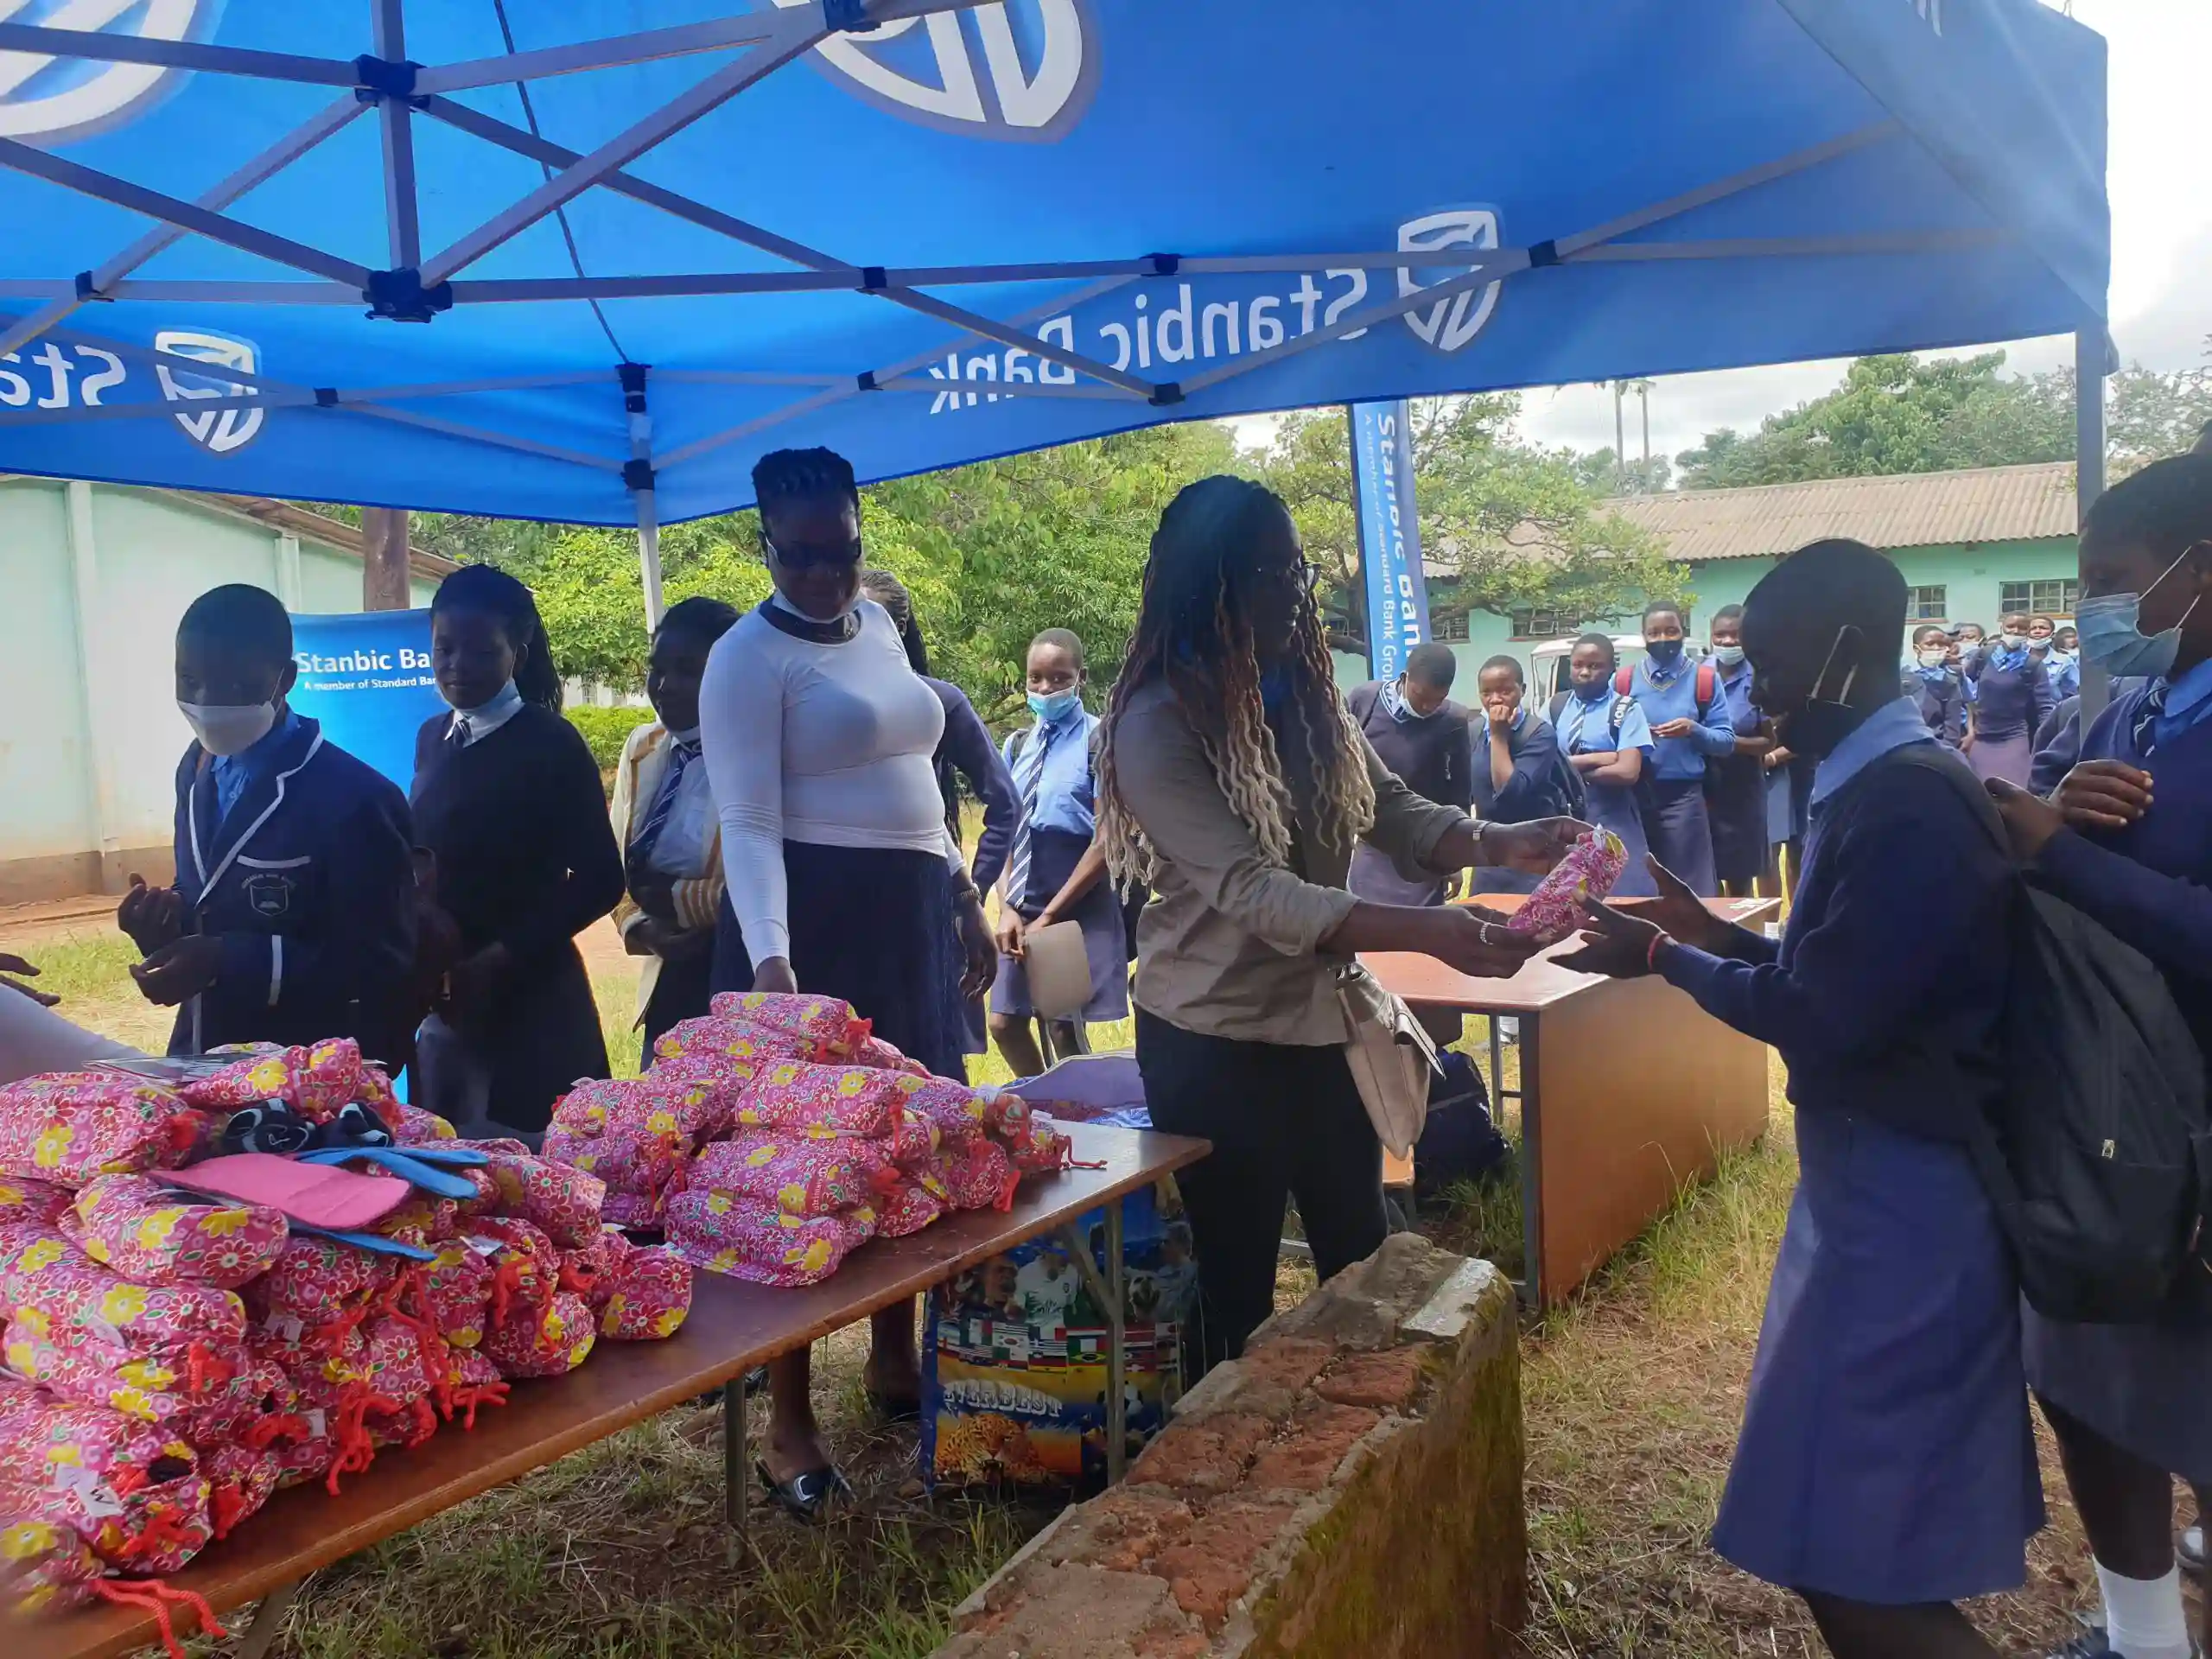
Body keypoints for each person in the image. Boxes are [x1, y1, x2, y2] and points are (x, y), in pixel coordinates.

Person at [1559, 539, 2038, 1659]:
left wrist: (1662, 964)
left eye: (1767, 663)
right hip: (1869, 1194)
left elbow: (1824, 1012)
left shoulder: (1909, 801)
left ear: (1846, 650)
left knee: (1855, 1562)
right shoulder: (1873, 784)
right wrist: (1713, 935)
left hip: (1909, 1213)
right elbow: (1850, 968)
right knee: (1838, 1544)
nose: (1752, 688)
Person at [1094, 474, 1586, 1370]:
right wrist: (1433, 931)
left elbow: (1395, 814)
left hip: (1321, 1025)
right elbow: (1252, 893)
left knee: (1361, 1252)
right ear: (1202, 583)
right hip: (1215, 1037)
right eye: (1264, 573)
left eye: (1297, 571)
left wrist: (1505, 841)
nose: (1291, 592)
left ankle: (1364, 1460)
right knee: (1237, 1279)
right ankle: (1227, 1485)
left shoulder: (1306, 695)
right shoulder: (1155, 721)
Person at [699, 446, 995, 1516]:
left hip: (908, 916)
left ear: (861, 528)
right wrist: (776, 966)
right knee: (801, 1171)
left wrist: (960, 896)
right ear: (764, 544)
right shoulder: (742, 659)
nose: (824, 571)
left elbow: (916, 777)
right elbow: (750, 821)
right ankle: (787, 1424)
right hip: (806, 927)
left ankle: (892, 1358)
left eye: (841, 547)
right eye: (801, 554)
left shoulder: (874, 624)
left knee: (907, 1142)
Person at [1980, 453, 2212, 1659]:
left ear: (2202, 570)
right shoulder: (2126, 710)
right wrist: (2065, 808)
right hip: (2105, 1107)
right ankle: (2141, 1637)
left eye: (2118, 584)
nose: (2098, 616)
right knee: (2086, 1374)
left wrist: (2067, 858)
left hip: (2201, 1121)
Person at [118, 584, 416, 1065]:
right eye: (189, 679)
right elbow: (210, 894)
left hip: (304, 1077)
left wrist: (226, 960)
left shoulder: (356, 798)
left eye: (237, 686)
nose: (207, 701)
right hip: (204, 1053)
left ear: (286, 679)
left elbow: (380, 963)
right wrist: (165, 922)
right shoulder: (194, 770)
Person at [409, 564, 624, 1144]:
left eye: (481, 651)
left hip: (532, 1004)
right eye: (444, 648)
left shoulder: (550, 743)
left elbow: (602, 878)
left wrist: (502, 956)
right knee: (449, 1178)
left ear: (518, 655)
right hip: (449, 1004)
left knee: (536, 1177)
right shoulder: (433, 737)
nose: (457, 665)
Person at [860, 569, 1014, 1065]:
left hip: (928, 903)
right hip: (855, 911)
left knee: (931, 1065)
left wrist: (970, 892)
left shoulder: (938, 701)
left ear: (898, 630)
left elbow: (1003, 802)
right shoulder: (824, 704)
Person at [989, 628, 1127, 1080]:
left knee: (1065, 1027)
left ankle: (1082, 1125)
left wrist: (1050, 915)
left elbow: (1106, 840)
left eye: (1058, 678)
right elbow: (1005, 829)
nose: (1046, 689)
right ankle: (1040, 1108)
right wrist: (1007, 904)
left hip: (1074, 898)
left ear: (1080, 678)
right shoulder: (1016, 746)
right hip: (1022, 899)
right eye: (1036, 679)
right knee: (1005, 1022)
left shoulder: (1099, 741)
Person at [608, 598, 741, 1052]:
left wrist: (680, 900)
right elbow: (615, 864)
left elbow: (787, 877)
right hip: (669, 978)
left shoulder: (767, 753)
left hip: (746, 979)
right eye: (656, 668)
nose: (664, 686)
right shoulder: (644, 748)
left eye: (688, 670)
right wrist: (642, 925)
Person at [1618, 600, 1735, 895]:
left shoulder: (1704, 680)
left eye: (1671, 631)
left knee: (1690, 890)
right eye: (1653, 632)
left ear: (1683, 631)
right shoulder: (1623, 681)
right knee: (1637, 887)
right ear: (1643, 635)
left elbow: (1726, 741)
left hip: (1683, 800)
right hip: (1633, 798)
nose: (1662, 639)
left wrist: (1693, 730)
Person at [1343, 643, 1474, 902]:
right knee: (1370, 927)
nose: (1427, 707)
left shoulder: (1453, 720)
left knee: (1423, 932)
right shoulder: (1364, 700)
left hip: (1424, 846)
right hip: (1372, 840)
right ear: (1405, 678)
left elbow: (1460, 792)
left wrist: (1456, 859)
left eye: (1437, 700)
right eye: (1420, 696)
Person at [1551, 633, 1659, 899]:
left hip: (1613, 819)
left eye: (1595, 666)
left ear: (1612, 668)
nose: (1585, 672)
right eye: (1578, 665)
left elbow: (1627, 771)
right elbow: (1546, 763)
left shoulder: (1625, 710)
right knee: (1570, 902)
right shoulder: (1556, 706)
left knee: (1624, 898)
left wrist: (1569, 770)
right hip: (1569, 819)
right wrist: (1599, 758)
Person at [1703, 605, 1777, 898]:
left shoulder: (1760, 679)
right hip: (1702, 790)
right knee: (1705, 877)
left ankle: (1742, 941)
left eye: (1734, 635)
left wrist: (1724, 742)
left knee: (1740, 879)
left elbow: (1768, 742)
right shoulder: (1697, 676)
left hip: (1742, 791)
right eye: (1720, 635)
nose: (1727, 642)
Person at [1963, 611, 2056, 786]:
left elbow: (2044, 706)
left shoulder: (2033, 665)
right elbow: (1962, 690)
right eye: (2010, 627)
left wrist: (2046, 738)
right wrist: (1969, 729)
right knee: (1978, 789)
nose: (2015, 631)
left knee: (2013, 789)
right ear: (2002, 628)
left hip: (2014, 736)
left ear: (2027, 632)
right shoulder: (1984, 655)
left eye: (2022, 628)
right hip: (1980, 736)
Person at [1905, 623, 1968, 750]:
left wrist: (1945, 748)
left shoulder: (1950, 679)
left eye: (1941, 644)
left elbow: (1952, 721)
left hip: (1938, 744)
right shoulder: (1904, 676)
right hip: (1906, 743)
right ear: (1917, 649)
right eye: (1930, 644)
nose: (1936, 648)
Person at [2030, 612, 2082, 701]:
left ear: (2052, 634)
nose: (2037, 631)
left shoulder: (2064, 661)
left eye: (2043, 628)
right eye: (2033, 628)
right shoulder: (2018, 658)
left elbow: (2077, 690)